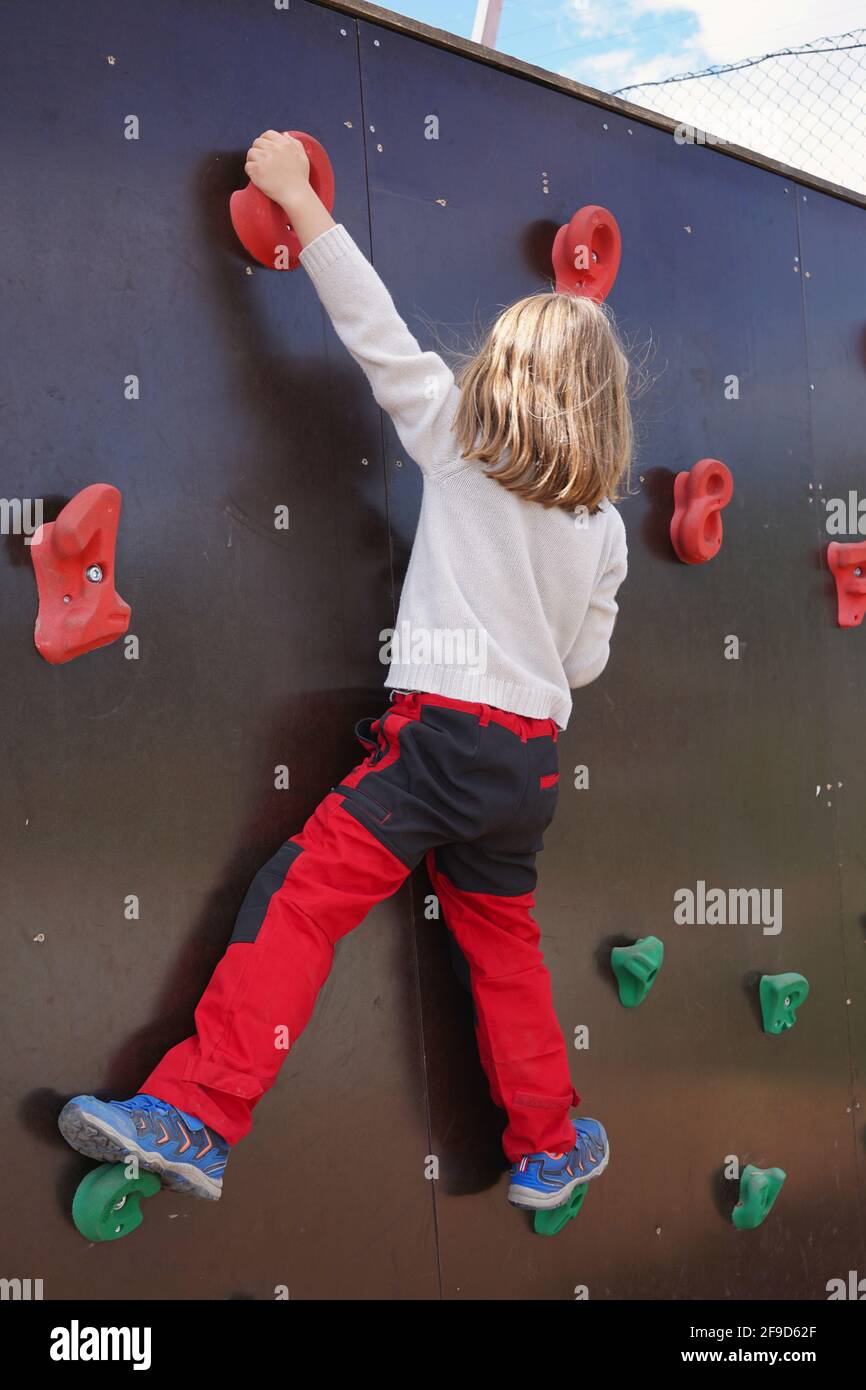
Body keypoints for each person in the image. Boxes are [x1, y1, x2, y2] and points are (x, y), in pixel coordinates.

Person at [59, 130, 631, 1214]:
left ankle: (199, 1111)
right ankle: (549, 1147)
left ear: (500, 375)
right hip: (525, 771)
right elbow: (583, 660)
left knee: (301, 902)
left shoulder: (464, 444)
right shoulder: (597, 526)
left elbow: (376, 334)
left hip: (438, 744)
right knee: (504, 950)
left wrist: (294, 202)